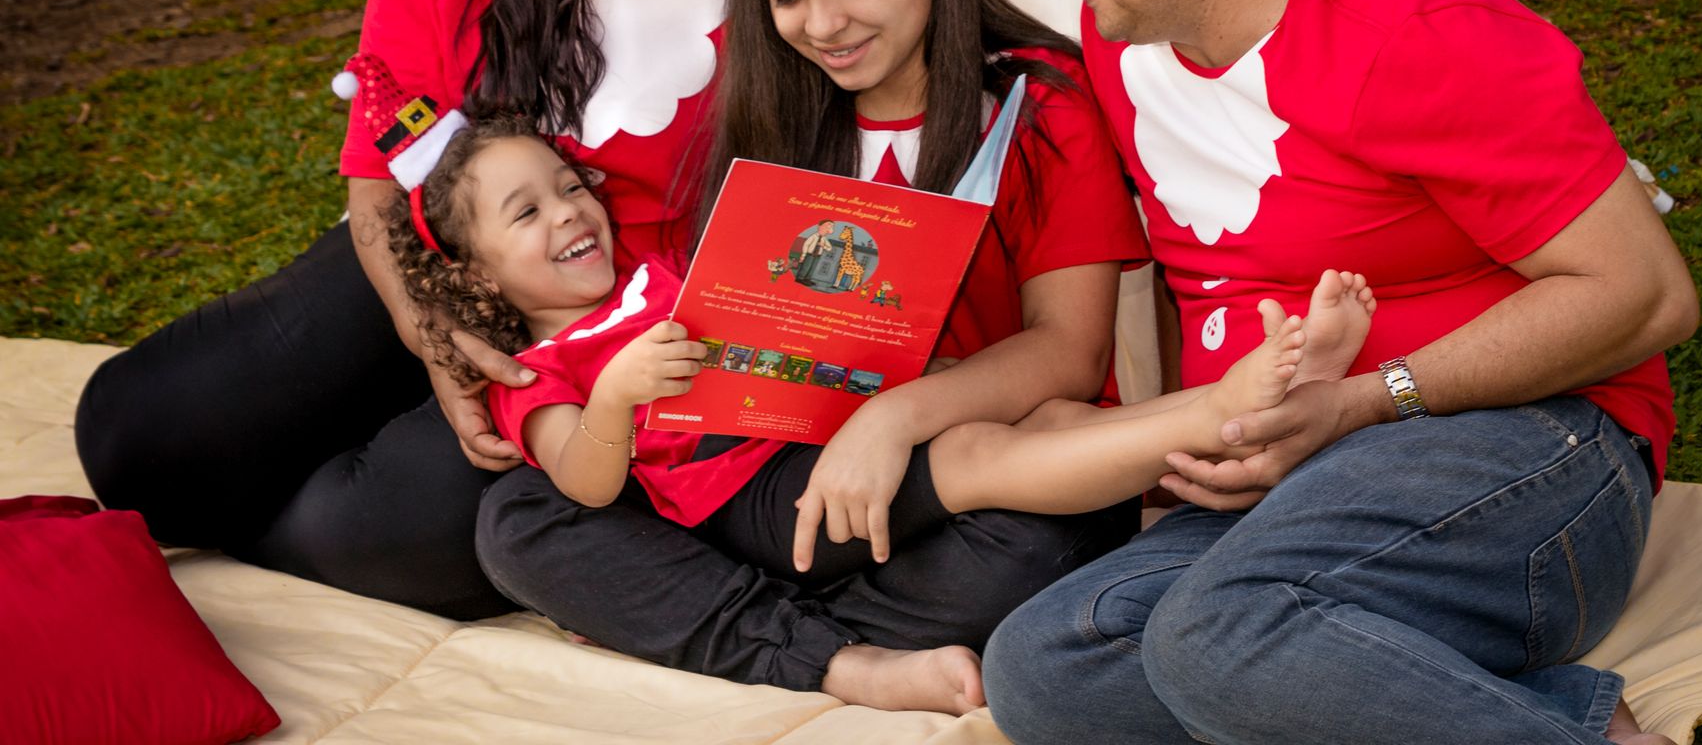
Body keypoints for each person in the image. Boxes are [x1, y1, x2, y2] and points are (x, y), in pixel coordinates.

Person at [980, 0, 1699, 745]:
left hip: (1532, 452)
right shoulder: (1119, 40)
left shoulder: (1419, 35)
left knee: (1216, 636)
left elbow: (1646, 295)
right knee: (1046, 664)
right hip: (1297, 487)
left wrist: (1365, 399)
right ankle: (1534, 713)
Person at [72, 0, 747, 618]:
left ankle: (272, 540)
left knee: (400, 545)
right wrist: (429, 335)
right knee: (138, 439)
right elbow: (379, 185)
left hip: (598, 329)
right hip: (435, 261)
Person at [476, 0, 1154, 713]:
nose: (822, 26)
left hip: (963, 470)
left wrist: (891, 420)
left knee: (1036, 542)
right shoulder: (780, 110)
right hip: (782, 480)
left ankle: (713, 621)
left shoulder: (1041, 109)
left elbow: (1069, 355)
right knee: (521, 517)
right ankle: (827, 647)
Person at [391, 110, 1372, 712]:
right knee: (988, 451)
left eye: (569, 185)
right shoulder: (548, 370)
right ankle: (1219, 414)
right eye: (527, 211)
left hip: (814, 442)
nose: (568, 210)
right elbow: (585, 479)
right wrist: (614, 394)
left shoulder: (658, 275)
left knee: (1034, 430)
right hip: (767, 500)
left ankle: (1229, 406)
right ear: (476, 273)